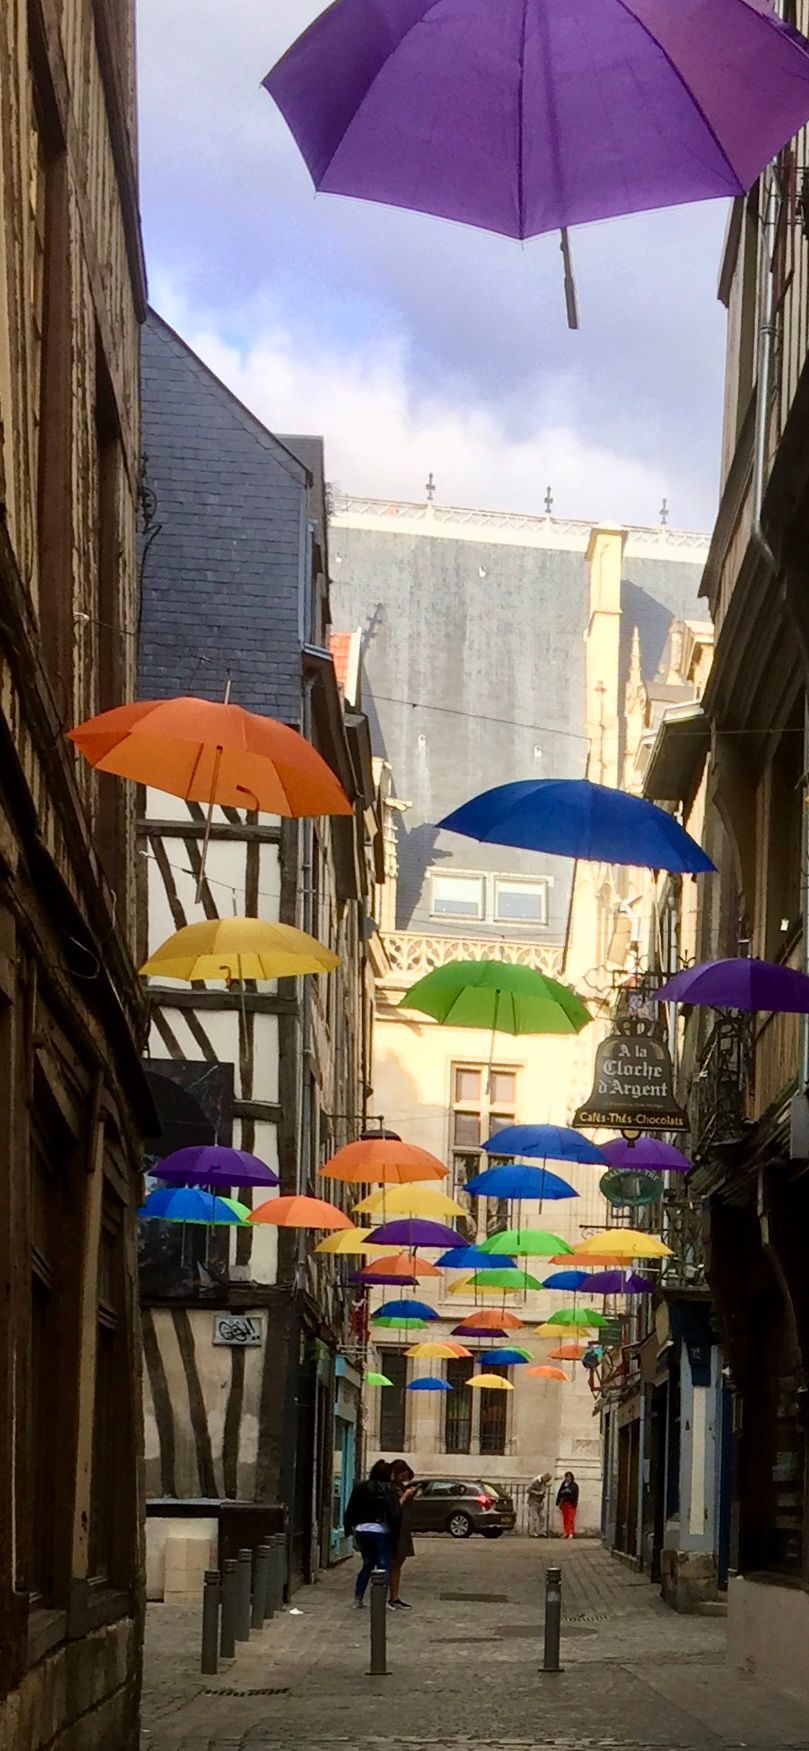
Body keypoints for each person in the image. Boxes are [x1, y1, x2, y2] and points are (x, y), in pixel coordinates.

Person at [343, 1459, 401, 1607]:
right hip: (381, 1530)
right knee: (383, 1564)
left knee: (367, 1563)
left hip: (362, 1529)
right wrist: (396, 1535)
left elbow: (351, 1508)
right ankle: (381, 1600)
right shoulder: (389, 1488)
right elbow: (394, 1513)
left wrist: (348, 1528)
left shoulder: (360, 1487)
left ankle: (358, 1598)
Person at [388, 1459, 417, 1608]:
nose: (404, 1478)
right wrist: (405, 1496)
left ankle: (395, 1596)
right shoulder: (391, 1489)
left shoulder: (401, 1487)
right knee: (392, 1563)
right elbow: (395, 1508)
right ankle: (390, 1596)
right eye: (402, 1475)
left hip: (404, 1527)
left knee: (398, 1564)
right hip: (395, 1529)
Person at [528, 1471, 552, 1537]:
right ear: (544, 1477)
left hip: (540, 1502)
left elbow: (543, 1493)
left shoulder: (544, 1484)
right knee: (534, 1517)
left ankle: (540, 1531)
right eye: (547, 1480)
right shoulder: (536, 1482)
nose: (547, 1481)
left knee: (542, 1516)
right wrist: (536, 1492)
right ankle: (532, 1532)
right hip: (533, 1501)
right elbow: (529, 1490)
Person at [556, 1470, 579, 1539]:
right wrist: (558, 1502)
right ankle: (566, 1532)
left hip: (571, 1503)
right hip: (564, 1503)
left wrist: (566, 1492)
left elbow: (573, 1493)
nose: (567, 1478)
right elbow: (560, 1493)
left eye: (568, 1477)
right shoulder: (563, 1484)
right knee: (565, 1519)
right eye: (566, 1477)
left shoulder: (574, 1485)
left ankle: (571, 1532)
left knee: (570, 1519)